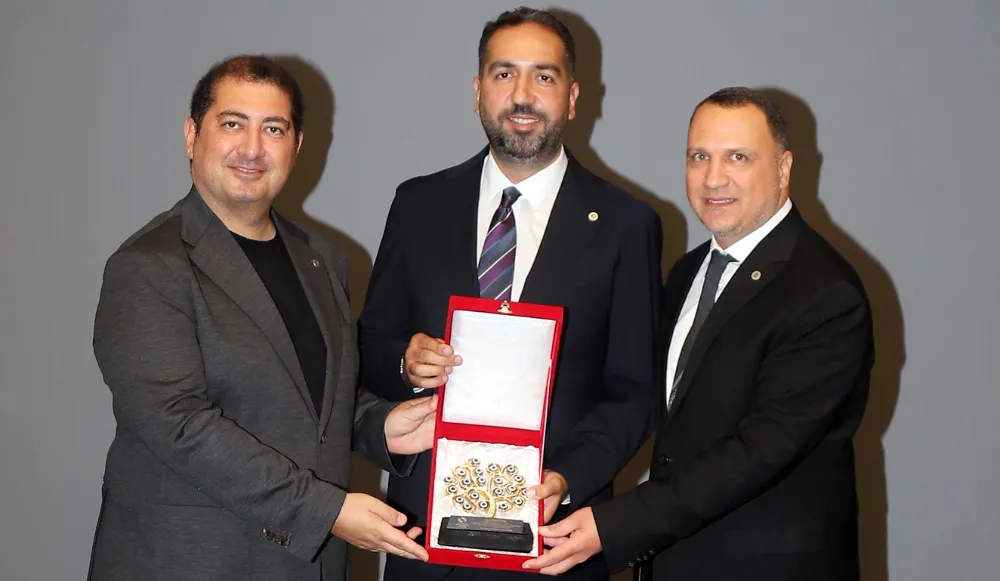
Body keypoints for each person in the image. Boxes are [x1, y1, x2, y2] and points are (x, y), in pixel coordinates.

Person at [87, 55, 438, 581]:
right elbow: (178, 424)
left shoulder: (322, 259)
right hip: (191, 562)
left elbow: (310, 402)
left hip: (308, 565)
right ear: (192, 136)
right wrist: (326, 511)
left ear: (296, 146)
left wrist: (381, 426)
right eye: (233, 124)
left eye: (273, 129)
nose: (252, 148)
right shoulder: (148, 266)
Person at [358, 7, 662, 581]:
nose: (522, 95)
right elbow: (371, 345)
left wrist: (568, 478)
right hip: (426, 546)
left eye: (543, 76)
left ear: (572, 97)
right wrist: (404, 362)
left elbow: (634, 393)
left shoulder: (627, 224)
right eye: (504, 74)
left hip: (553, 542)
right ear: (478, 92)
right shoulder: (418, 205)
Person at [525, 87, 875, 581]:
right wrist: (566, 473)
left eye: (738, 157)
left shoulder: (824, 292)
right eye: (699, 157)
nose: (713, 178)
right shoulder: (687, 272)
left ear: (783, 168)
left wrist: (618, 524)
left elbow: (759, 451)